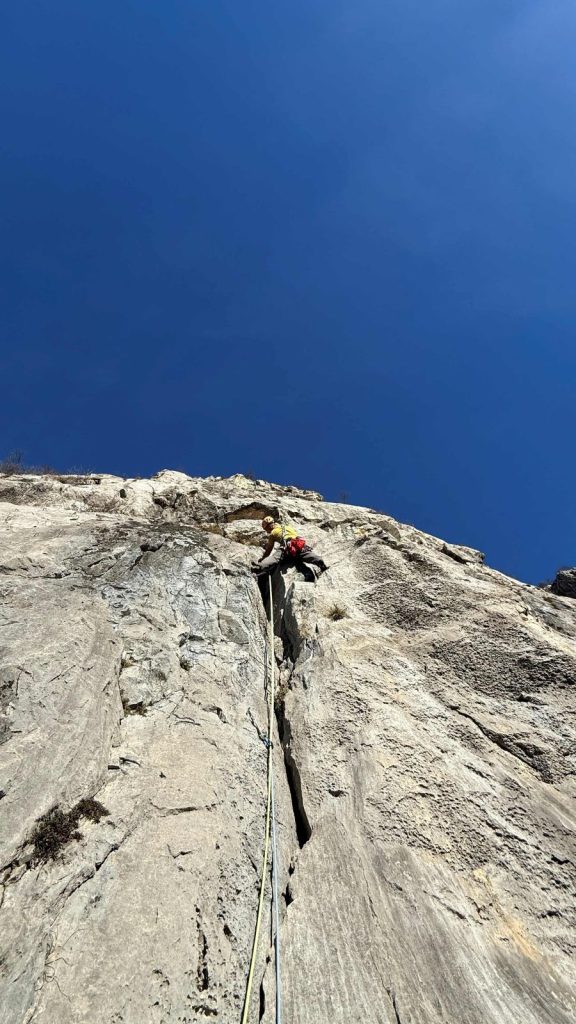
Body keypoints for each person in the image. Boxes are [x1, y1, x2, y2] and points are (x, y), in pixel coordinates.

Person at [252, 516, 328, 582]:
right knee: (303, 555)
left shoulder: (273, 533)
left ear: (269, 526)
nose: (267, 531)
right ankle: (318, 561)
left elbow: (269, 550)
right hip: (298, 543)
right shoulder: (288, 527)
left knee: (275, 558)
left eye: (266, 529)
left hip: (287, 546)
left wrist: (263, 558)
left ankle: (259, 567)